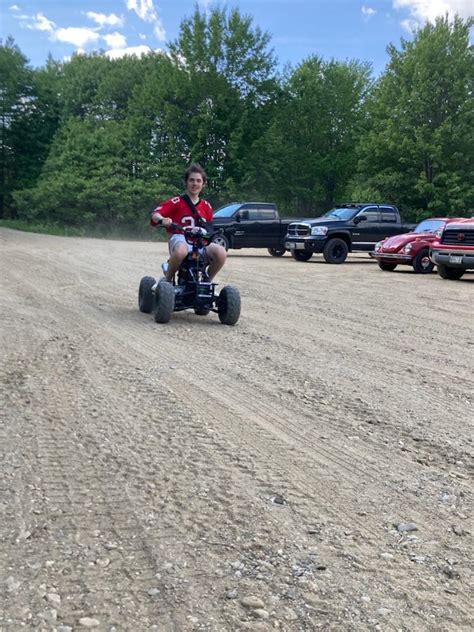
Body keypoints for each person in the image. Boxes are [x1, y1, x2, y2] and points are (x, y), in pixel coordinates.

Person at [150, 163, 227, 283]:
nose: (195, 184)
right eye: (191, 180)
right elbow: (155, 215)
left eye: (198, 181)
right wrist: (162, 220)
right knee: (181, 251)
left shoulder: (207, 206)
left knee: (221, 252)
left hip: (200, 241)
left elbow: (210, 228)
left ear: (203, 184)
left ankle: (207, 282)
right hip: (181, 238)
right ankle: (167, 280)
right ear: (186, 182)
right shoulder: (177, 201)